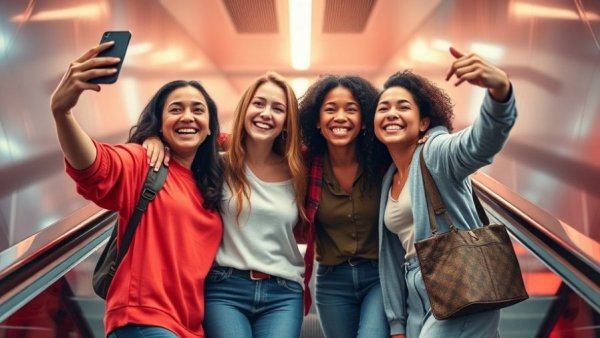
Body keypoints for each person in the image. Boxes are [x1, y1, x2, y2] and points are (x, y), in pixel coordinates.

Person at [50, 42, 224, 337]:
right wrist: (62, 113)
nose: (187, 117)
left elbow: (253, 141)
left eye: (198, 110)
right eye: (175, 109)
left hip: (189, 328)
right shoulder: (144, 162)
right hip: (143, 321)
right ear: (160, 124)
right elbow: (95, 165)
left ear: (210, 128)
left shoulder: (210, 182)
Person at [145, 72, 307, 338]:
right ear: (244, 110)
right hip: (224, 289)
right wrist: (153, 138)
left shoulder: (299, 172)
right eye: (258, 104)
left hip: (284, 292)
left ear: (287, 122)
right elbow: (182, 142)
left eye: (278, 108)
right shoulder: (216, 164)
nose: (266, 113)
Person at [375, 47, 517, 337]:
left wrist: (500, 92)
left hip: (461, 283)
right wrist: (397, 323)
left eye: (403, 107)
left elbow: (481, 143)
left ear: (424, 122)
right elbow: (391, 256)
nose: (391, 113)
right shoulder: (388, 177)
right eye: (383, 108)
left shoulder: (436, 152)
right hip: (417, 292)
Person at [297, 75, 390, 338]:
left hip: (380, 278)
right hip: (331, 281)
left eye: (351, 109)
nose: (340, 117)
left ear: (364, 121)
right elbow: (255, 144)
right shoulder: (307, 164)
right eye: (330, 109)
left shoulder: (383, 162)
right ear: (317, 121)